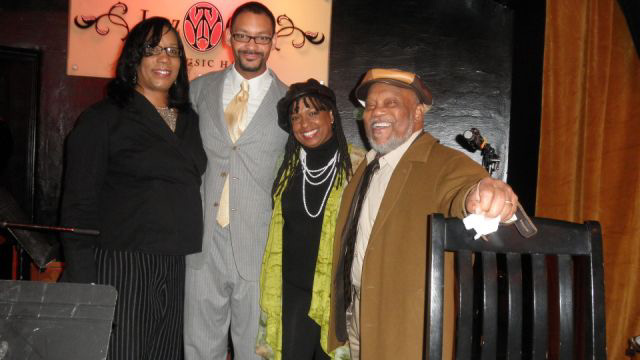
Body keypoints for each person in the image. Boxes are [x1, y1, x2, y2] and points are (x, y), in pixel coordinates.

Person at [327, 68, 519, 359]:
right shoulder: (366, 168)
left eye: (390, 103)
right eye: (371, 106)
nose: (376, 112)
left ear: (417, 113)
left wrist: (482, 195)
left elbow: (464, 189)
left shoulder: (444, 163)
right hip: (357, 315)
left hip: (404, 329)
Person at [60, 17, 207, 360]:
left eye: (172, 51)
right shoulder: (103, 118)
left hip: (174, 262)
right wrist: (86, 283)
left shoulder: (189, 119)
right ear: (133, 59)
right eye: (152, 50)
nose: (164, 59)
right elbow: (77, 205)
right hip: (120, 263)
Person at [184, 2, 288, 359]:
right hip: (202, 241)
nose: (251, 45)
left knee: (256, 351)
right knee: (199, 347)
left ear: (273, 41)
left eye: (261, 38)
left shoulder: (290, 103)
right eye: (243, 35)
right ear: (229, 36)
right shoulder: (197, 91)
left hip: (258, 244)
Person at [256, 79, 363, 360]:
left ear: (331, 115)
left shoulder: (359, 166)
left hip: (337, 299)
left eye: (313, 112)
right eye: (296, 117)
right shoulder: (284, 166)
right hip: (291, 295)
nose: (304, 123)